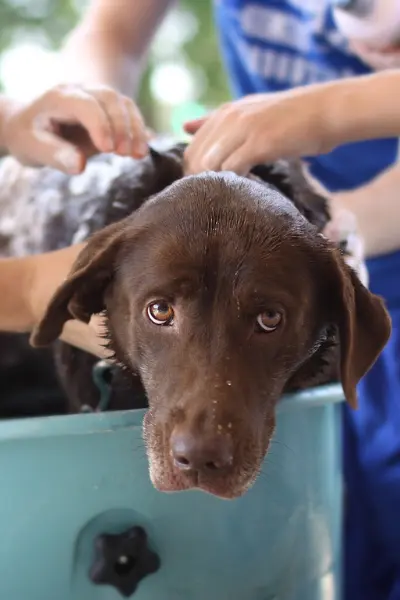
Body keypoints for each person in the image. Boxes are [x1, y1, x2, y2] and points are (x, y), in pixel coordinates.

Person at [56, 2, 400, 600]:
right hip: (279, 258)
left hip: (326, 266)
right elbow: (111, 31)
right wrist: (101, 125)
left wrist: (323, 111)